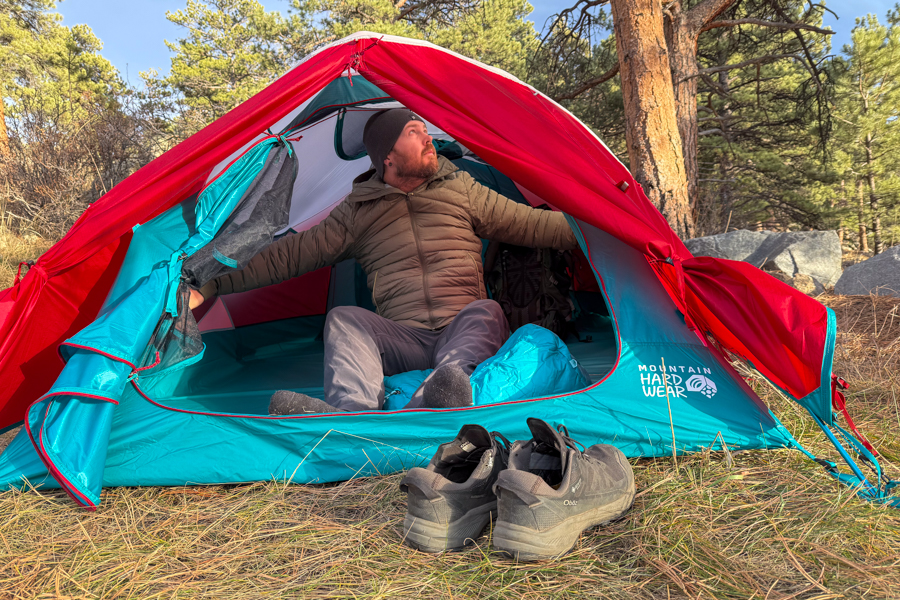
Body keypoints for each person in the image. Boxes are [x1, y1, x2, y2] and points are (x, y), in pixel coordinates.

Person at [188, 108, 578, 414]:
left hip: (461, 329)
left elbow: (534, 225)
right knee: (344, 318)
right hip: (403, 339)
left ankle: (440, 396)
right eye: (414, 132)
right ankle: (352, 416)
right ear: (388, 156)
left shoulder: (460, 189)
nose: (428, 138)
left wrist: (600, 226)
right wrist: (212, 282)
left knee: (485, 310)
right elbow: (287, 255)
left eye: (425, 130)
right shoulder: (358, 213)